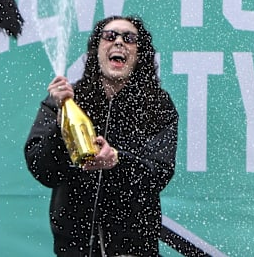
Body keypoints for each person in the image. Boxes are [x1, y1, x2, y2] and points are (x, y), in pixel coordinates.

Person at [25, 15, 179, 257]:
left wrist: (117, 160)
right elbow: (42, 169)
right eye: (110, 36)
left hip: (134, 250)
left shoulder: (158, 105)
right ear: (96, 50)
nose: (118, 42)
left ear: (140, 55)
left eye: (129, 38)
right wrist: (59, 126)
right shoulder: (66, 101)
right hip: (75, 249)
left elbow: (159, 172)